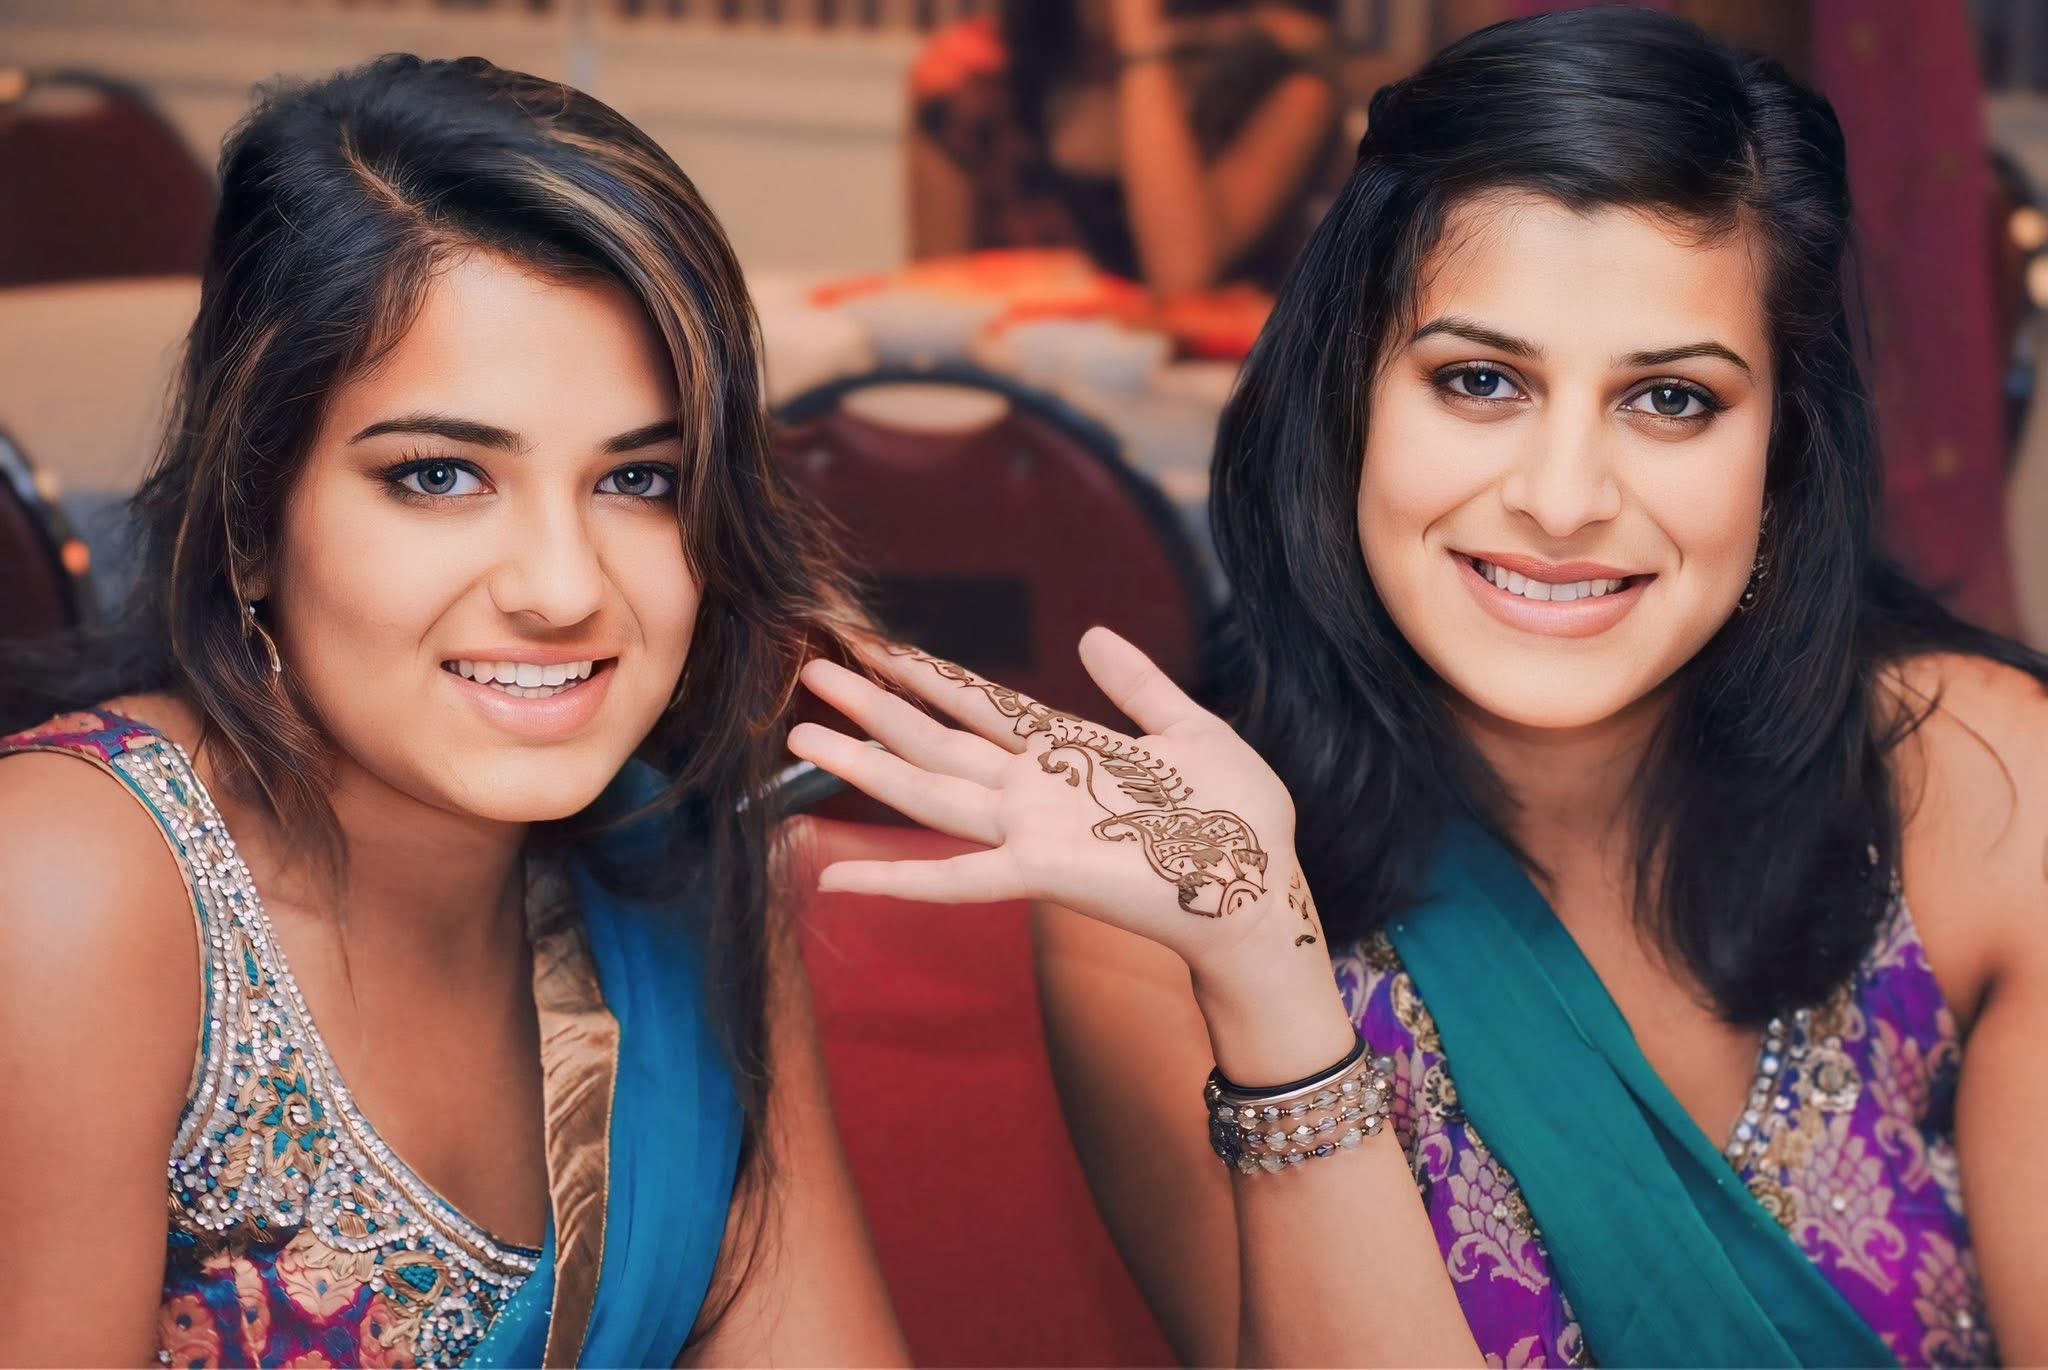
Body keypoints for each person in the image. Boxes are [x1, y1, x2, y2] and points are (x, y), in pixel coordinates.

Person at [788, 9, 2048, 1364]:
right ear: (1346, 411)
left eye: (1670, 399)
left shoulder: (1980, 784)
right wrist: (1269, 980)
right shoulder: (1157, 904)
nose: (1562, 498)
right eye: (1479, 379)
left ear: (1783, 458)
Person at [0, 56, 905, 1366]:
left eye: (640, 480)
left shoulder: (683, 870)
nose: (562, 588)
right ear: (250, 518)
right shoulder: (69, 884)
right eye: (439, 475)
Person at [908, 0, 1341, 295]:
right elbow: (934, 304)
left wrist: (1142, 45)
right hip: (1021, 391)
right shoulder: (975, 82)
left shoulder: (1285, 89)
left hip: (1205, 399)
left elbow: (1180, 277)